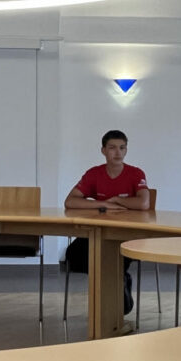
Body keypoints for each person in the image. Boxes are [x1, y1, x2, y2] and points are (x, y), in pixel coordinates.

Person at [64, 130, 149, 315]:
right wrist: (103, 205)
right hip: (98, 232)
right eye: (112, 148)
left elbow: (143, 203)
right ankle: (112, 285)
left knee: (112, 258)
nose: (118, 152)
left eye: (122, 148)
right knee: (74, 256)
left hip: (127, 235)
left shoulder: (135, 173)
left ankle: (119, 285)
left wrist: (117, 199)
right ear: (103, 150)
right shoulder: (94, 173)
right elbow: (70, 201)